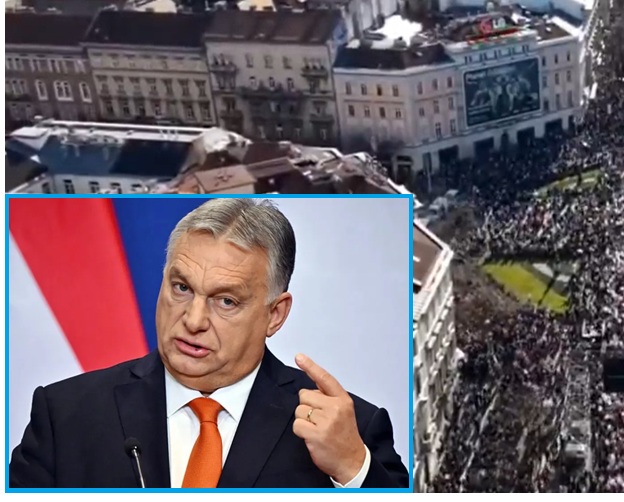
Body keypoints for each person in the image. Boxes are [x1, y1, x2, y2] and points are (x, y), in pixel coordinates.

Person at [8, 199, 410, 489]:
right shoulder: (66, 415)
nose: (194, 320)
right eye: (181, 288)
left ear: (275, 315)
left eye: (226, 301)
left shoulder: (348, 430)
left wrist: (354, 471)